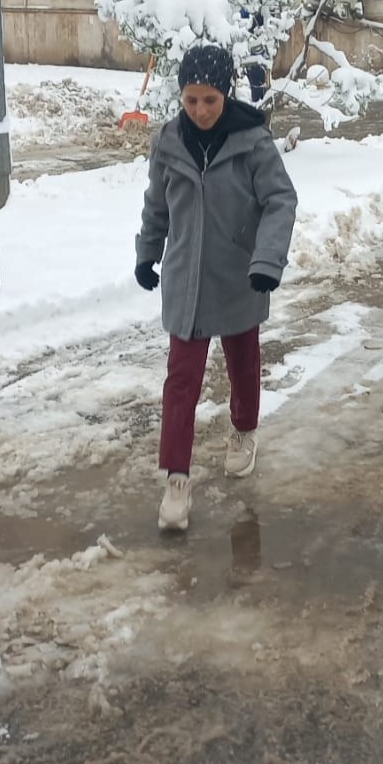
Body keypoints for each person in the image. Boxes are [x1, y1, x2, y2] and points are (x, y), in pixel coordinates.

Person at [136, 44, 298, 533]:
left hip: (240, 274)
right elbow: (156, 205)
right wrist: (147, 251)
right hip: (185, 279)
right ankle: (177, 480)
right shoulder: (168, 142)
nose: (201, 111)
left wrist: (267, 261)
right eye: (191, 100)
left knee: (242, 360)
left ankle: (244, 431)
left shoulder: (251, 141)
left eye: (209, 100)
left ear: (225, 94)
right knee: (180, 379)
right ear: (182, 97)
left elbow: (280, 200)